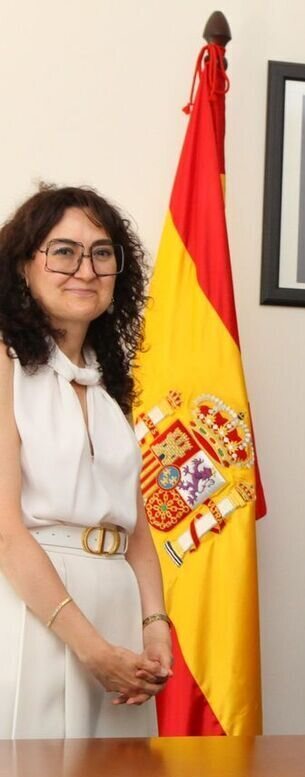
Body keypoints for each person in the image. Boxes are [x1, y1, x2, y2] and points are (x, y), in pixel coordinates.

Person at [0, 185, 173, 738]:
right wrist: (92, 650)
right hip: (36, 613)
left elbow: (137, 527)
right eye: (63, 250)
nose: (86, 268)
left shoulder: (106, 382)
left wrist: (154, 626)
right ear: (24, 266)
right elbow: (5, 533)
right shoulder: (4, 363)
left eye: (102, 253)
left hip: (117, 611)